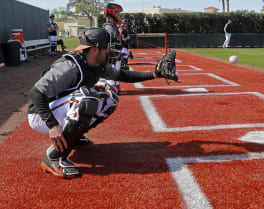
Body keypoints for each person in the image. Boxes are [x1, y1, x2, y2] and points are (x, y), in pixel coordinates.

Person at [27, 28, 178, 179]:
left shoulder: (96, 63)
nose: (111, 52)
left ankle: (73, 136)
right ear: (94, 49)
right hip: (40, 114)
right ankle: (54, 157)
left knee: (109, 100)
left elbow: (122, 75)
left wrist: (154, 74)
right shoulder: (70, 66)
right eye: (107, 48)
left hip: (59, 108)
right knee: (87, 99)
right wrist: (52, 125)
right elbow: (36, 93)